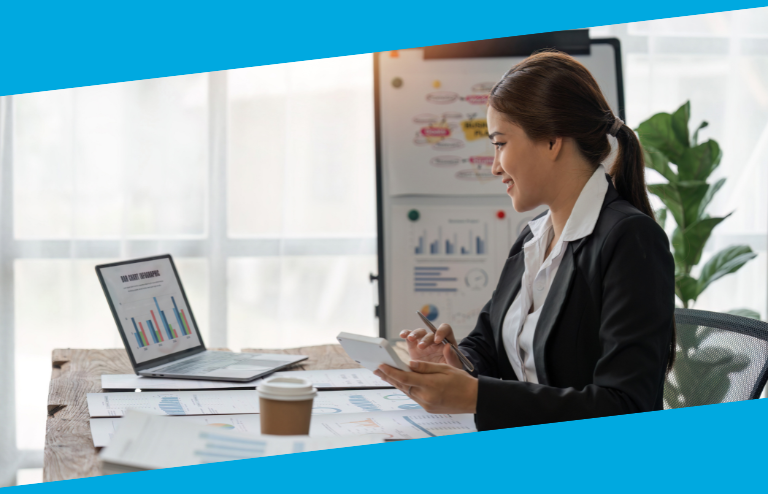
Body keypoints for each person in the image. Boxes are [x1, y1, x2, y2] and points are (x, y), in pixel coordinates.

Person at [374, 50, 676, 430]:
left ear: (552, 140)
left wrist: (476, 395)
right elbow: (490, 343)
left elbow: (627, 405)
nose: (494, 165)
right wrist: (455, 361)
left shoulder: (630, 240)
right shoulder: (535, 235)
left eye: (500, 143)